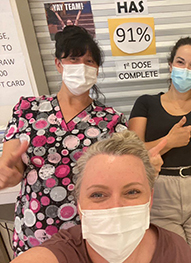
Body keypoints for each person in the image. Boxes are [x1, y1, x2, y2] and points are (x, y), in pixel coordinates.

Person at [0, 25, 128, 256]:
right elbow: (13, 166)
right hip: (35, 228)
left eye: (89, 61)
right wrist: (7, 173)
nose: (82, 67)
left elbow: (121, 173)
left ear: (97, 69)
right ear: (58, 64)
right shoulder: (28, 109)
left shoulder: (111, 120)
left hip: (89, 231)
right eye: (73, 59)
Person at [11, 130, 191, 263]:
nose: (116, 207)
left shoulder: (176, 250)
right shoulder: (61, 254)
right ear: (79, 204)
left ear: (150, 199)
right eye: (98, 194)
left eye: (132, 192)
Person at [129, 37, 191, 263]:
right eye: (181, 62)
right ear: (170, 65)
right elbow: (133, 153)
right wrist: (168, 141)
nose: (186, 69)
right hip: (161, 192)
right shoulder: (146, 103)